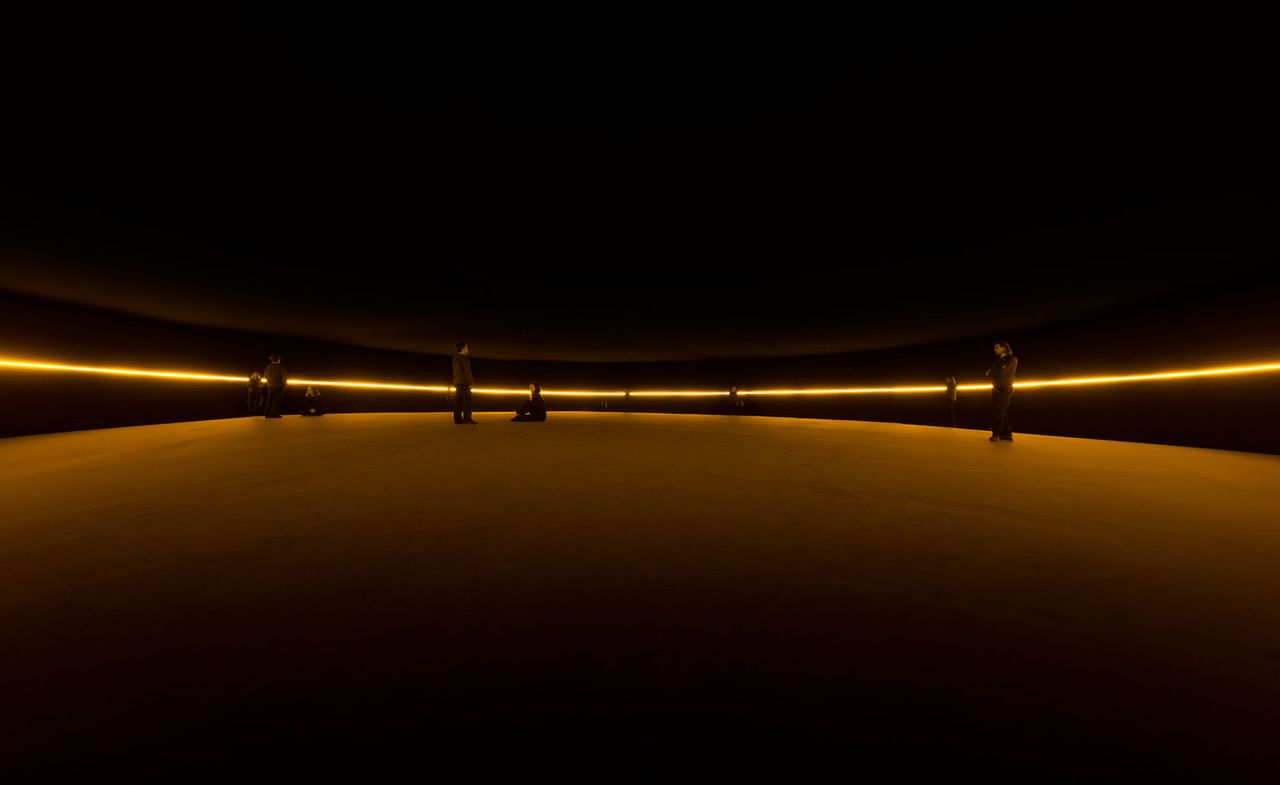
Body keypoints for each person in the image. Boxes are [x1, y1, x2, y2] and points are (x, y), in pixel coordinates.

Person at [986, 341, 1017, 441]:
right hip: (996, 388)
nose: (994, 350)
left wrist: (993, 372)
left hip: (1005, 388)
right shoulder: (998, 361)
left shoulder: (1012, 359)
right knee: (999, 410)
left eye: (997, 348)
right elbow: (988, 373)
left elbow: (1002, 372)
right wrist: (994, 372)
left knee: (999, 411)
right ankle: (1007, 434)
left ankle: (997, 434)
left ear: (1004, 348)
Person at [452, 341, 476, 424]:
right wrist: (471, 383)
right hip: (464, 383)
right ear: (462, 349)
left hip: (457, 383)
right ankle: (467, 419)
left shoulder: (455, 358)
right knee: (467, 402)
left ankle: (457, 419)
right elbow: (467, 372)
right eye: (466, 347)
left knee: (458, 403)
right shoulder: (464, 359)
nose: (468, 349)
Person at [263, 354, 287, 418]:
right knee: (276, 401)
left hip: (270, 386)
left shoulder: (268, 367)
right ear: (279, 360)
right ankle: (273, 414)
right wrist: (284, 386)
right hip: (279, 386)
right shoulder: (282, 367)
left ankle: (267, 414)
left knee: (269, 400)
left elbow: (265, 376)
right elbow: (283, 378)